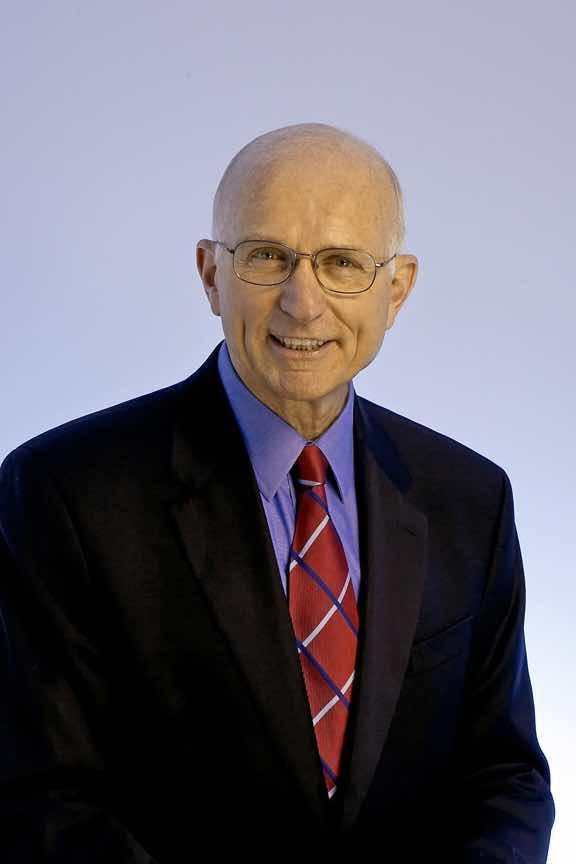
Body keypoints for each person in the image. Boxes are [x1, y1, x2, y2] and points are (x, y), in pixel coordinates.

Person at [0, 122, 554, 863]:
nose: (303, 302)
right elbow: (41, 797)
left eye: (342, 263)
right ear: (210, 275)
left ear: (396, 290)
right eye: (267, 256)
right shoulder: (61, 494)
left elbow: (506, 775)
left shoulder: (470, 499)